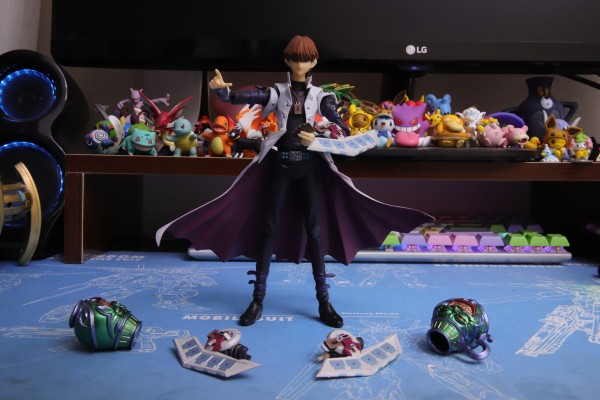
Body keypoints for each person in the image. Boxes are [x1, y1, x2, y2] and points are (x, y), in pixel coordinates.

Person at [156, 35, 433, 328]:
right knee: (268, 228)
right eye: (295, 58)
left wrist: (320, 135)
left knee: (315, 230)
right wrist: (222, 92)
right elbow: (239, 98)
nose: (300, 64)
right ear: (287, 61)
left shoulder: (323, 97)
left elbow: (341, 128)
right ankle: (257, 299)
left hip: (311, 167)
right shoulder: (276, 92)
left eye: (306, 59)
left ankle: (324, 301)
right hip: (281, 165)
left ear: (314, 62)